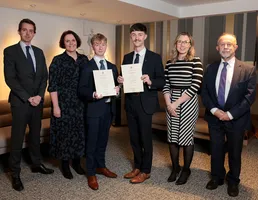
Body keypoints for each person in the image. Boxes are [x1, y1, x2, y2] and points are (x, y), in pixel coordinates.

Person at [201, 33, 256, 197]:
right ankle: (217, 177)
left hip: (236, 119)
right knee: (215, 150)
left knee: (234, 152)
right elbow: (205, 93)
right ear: (217, 48)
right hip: (214, 117)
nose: (226, 47)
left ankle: (233, 181)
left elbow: (250, 97)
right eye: (222, 44)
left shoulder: (248, 70)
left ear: (235, 47)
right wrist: (215, 111)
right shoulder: (210, 68)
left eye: (229, 44)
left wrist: (230, 114)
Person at [3, 18, 54, 191]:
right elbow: (10, 78)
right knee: (17, 138)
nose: (27, 33)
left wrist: (39, 96)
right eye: (24, 30)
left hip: (37, 102)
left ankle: (36, 164)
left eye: (31, 30)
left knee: (34, 135)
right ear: (19, 31)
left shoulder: (39, 52)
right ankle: (15, 173)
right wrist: (28, 97)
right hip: (20, 102)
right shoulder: (10, 51)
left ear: (34, 33)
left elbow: (43, 77)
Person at [117, 23, 165, 184]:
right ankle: (137, 166)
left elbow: (162, 81)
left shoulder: (155, 57)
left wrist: (150, 81)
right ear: (131, 37)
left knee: (145, 138)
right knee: (134, 138)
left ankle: (146, 170)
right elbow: (122, 77)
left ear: (145, 37)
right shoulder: (127, 57)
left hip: (146, 103)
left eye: (139, 34)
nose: (136, 38)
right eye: (133, 35)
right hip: (131, 102)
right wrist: (120, 80)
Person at [78, 33, 119, 190]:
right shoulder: (87, 67)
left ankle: (101, 166)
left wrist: (118, 88)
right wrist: (93, 94)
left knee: (103, 141)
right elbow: (81, 90)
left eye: (103, 44)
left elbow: (116, 87)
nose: (100, 47)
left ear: (106, 46)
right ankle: (90, 173)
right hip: (94, 110)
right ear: (92, 46)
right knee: (92, 142)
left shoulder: (112, 67)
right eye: (97, 44)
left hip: (108, 110)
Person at [163, 32, 203, 185]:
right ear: (175, 44)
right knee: (172, 138)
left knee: (185, 138)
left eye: (186, 42)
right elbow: (166, 84)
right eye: (179, 41)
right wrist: (168, 104)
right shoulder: (169, 62)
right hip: (171, 99)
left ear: (190, 45)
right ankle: (175, 167)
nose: (182, 44)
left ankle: (186, 169)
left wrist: (175, 103)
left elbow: (195, 86)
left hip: (187, 101)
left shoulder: (196, 61)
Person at [48, 30, 88, 179]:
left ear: (77, 41)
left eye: (73, 40)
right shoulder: (58, 60)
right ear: (63, 43)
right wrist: (56, 106)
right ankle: (65, 165)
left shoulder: (84, 59)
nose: (71, 43)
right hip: (63, 103)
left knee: (79, 133)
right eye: (67, 41)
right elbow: (53, 85)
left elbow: (92, 79)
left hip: (81, 103)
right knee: (65, 135)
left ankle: (77, 163)